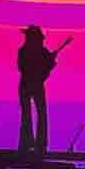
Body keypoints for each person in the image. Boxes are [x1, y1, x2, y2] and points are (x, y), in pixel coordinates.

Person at [17, 25, 57, 153]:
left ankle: (35, 143)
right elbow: (23, 67)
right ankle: (32, 143)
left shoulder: (27, 51)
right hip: (30, 84)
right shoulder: (26, 51)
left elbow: (47, 67)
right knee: (33, 113)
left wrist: (49, 61)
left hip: (29, 84)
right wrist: (48, 63)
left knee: (35, 113)